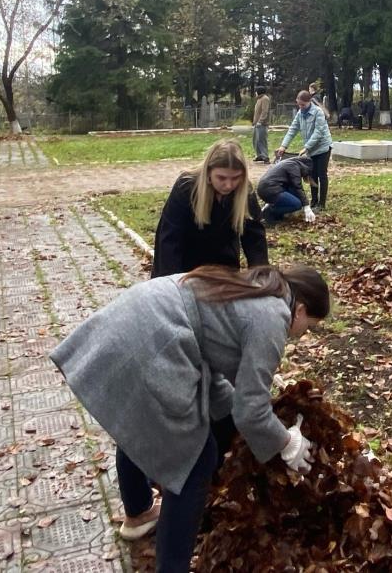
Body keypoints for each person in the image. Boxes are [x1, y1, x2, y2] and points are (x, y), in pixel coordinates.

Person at [50, 264, 329, 572]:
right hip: (155, 340)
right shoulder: (274, 317)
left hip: (136, 319)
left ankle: (139, 512)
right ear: (300, 310)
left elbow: (215, 365)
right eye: (310, 326)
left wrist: (238, 417)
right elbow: (252, 410)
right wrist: (286, 442)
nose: (304, 334)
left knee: (142, 418)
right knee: (197, 462)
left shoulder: (254, 285)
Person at [152, 139, 268, 278]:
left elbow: (255, 240)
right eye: (221, 178)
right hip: (185, 267)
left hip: (224, 267)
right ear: (208, 172)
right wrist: (169, 282)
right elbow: (169, 238)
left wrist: (262, 278)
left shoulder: (244, 192)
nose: (228, 185)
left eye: (236, 178)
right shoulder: (187, 187)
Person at [276, 89, 333, 211]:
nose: (301, 107)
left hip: (323, 148)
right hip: (311, 150)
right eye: (299, 104)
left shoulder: (318, 112)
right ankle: (314, 201)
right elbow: (293, 129)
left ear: (309, 102)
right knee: (312, 175)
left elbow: (318, 133)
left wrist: (306, 147)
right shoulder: (300, 113)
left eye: (303, 105)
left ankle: (321, 204)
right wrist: (283, 146)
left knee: (321, 174)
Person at [257, 156, 315, 224]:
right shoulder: (293, 167)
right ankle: (269, 211)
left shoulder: (289, 163)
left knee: (294, 193)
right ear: (306, 168)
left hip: (267, 188)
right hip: (270, 190)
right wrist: (306, 207)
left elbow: (292, 188)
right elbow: (298, 187)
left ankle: (276, 213)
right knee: (297, 204)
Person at [251, 86, 271, 163]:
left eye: (256, 91)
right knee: (255, 140)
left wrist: (261, 121)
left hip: (262, 124)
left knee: (261, 140)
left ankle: (265, 157)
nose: (255, 93)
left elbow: (264, 111)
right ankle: (260, 155)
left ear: (259, 91)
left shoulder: (265, 99)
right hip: (256, 124)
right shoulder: (259, 99)